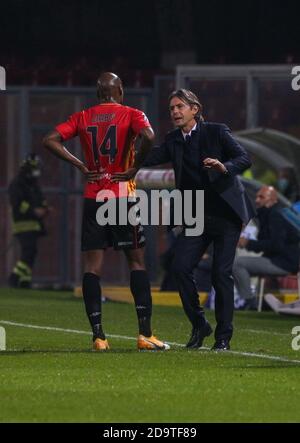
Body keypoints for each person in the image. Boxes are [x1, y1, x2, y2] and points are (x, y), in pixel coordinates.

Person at [116, 88, 255, 350]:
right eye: (172, 108)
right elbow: (150, 156)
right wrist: (125, 155)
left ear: (195, 109)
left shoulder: (217, 131)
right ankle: (200, 324)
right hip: (195, 214)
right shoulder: (173, 139)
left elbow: (244, 158)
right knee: (180, 267)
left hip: (225, 214)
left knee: (221, 273)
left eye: (180, 106)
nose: (175, 112)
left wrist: (224, 167)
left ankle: (223, 338)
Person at [43, 72, 169, 352]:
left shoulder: (83, 117)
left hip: (93, 196)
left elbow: (50, 139)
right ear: (120, 90)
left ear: (98, 93)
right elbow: (149, 136)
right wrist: (135, 168)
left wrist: (80, 165)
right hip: (122, 194)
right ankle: (144, 334)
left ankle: (99, 337)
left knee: (92, 268)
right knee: (136, 263)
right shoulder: (132, 114)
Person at [233, 186, 300, 310]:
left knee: (237, 264)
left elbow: (276, 245)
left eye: (261, 197)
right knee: (238, 265)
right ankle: (260, 303)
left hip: (284, 262)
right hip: (280, 259)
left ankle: (250, 302)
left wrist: (248, 243)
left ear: (272, 200)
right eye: (257, 196)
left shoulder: (276, 215)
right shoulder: (270, 214)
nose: (257, 200)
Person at [8, 153, 50, 288]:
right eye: (35, 169)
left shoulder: (34, 184)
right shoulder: (17, 184)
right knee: (29, 251)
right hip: (22, 225)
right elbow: (17, 203)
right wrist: (34, 210)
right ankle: (14, 277)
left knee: (32, 253)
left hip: (34, 225)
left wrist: (45, 208)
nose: (37, 172)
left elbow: (40, 199)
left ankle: (25, 280)